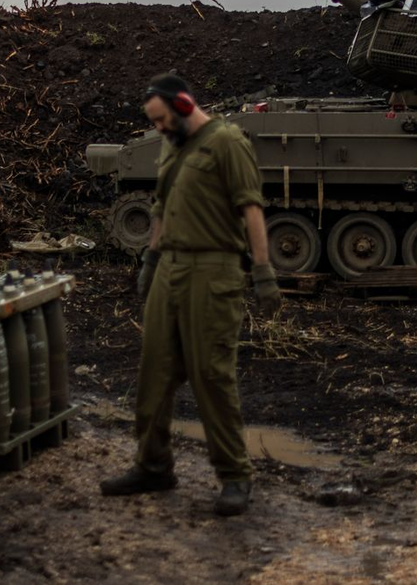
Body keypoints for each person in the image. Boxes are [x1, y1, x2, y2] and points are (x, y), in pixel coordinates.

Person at [100, 72, 282, 516]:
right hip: (171, 269)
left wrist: (262, 272)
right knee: (154, 371)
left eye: (162, 119)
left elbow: (251, 208)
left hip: (213, 270)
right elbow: (161, 207)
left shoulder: (227, 143)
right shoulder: (172, 146)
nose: (159, 128)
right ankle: (153, 465)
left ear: (183, 106)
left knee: (210, 376)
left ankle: (235, 475)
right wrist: (150, 260)